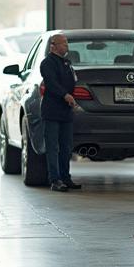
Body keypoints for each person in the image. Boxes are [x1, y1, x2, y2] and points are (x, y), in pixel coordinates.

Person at [39, 33, 81, 192]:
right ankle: (55, 179)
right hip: (52, 111)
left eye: (67, 43)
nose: (66, 46)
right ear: (53, 46)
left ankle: (65, 177)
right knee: (52, 146)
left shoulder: (66, 63)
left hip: (66, 111)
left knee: (66, 146)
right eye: (63, 43)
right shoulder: (47, 63)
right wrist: (65, 95)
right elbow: (51, 83)